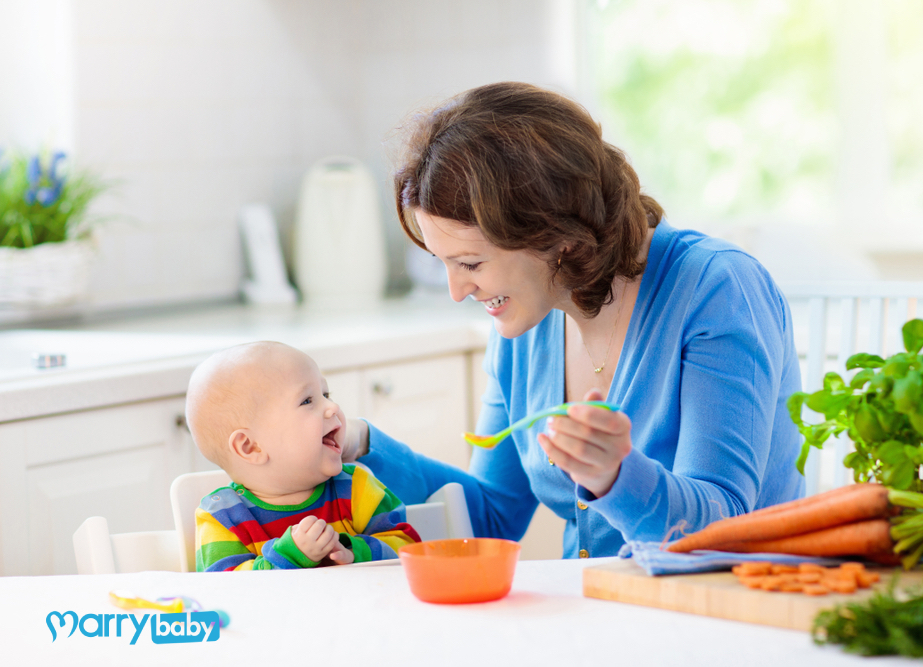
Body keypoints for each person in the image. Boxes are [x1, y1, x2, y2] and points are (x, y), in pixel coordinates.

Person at [340, 81, 804, 559]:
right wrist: (359, 444)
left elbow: (723, 523)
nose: (458, 292)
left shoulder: (717, 288)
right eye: (443, 262)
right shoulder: (526, 314)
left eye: (471, 264)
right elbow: (491, 515)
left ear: (556, 237)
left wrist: (616, 476)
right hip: (598, 608)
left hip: (729, 608)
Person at [186, 341, 419, 571]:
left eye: (326, 393)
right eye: (307, 400)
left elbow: (408, 548)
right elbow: (225, 590)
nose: (332, 407)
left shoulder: (357, 487)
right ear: (251, 447)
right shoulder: (222, 517)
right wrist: (290, 556)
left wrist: (351, 550)